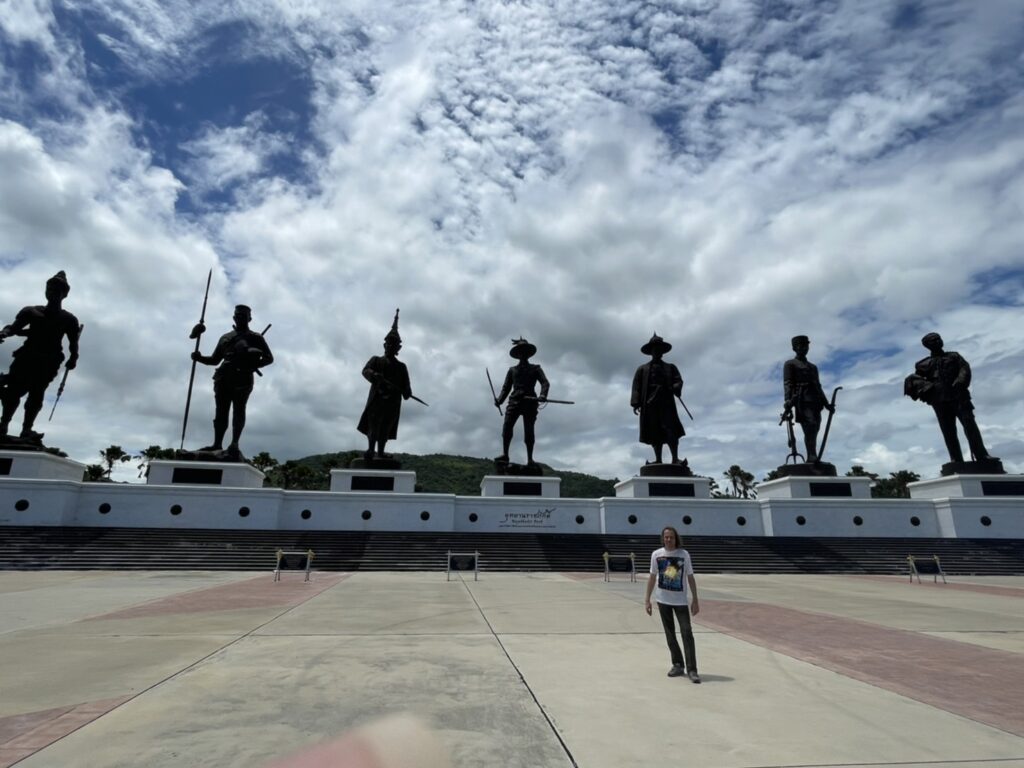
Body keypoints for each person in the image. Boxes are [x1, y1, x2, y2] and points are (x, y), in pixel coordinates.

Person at [0, 271, 80, 443]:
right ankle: (3, 424)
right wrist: (4, 333)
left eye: (57, 290)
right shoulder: (31, 311)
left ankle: (26, 429)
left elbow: (73, 343)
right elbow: (13, 328)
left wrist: (73, 358)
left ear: (64, 294)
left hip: (49, 360)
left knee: (36, 394)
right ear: (45, 290)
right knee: (13, 391)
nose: (52, 292)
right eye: (50, 288)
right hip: (26, 356)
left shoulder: (69, 319)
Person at [191, 304, 273, 458]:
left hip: (243, 378)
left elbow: (269, 358)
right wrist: (199, 358)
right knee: (221, 411)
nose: (240, 317)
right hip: (223, 377)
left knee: (238, 410)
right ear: (234, 317)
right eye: (238, 315)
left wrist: (251, 364)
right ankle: (217, 444)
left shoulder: (255, 337)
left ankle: (234, 443)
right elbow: (215, 360)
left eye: (244, 315)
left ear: (249, 318)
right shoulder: (225, 338)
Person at [904, 332, 998, 465]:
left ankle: (982, 455)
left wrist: (960, 381)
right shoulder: (923, 364)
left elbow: (964, 368)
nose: (937, 342)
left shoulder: (954, 356)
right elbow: (916, 380)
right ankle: (955, 458)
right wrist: (921, 386)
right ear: (927, 346)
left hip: (958, 395)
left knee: (970, 425)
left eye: (938, 339)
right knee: (948, 430)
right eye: (933, 341)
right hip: (939, 399)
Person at [645, 525, 701, 683]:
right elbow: (652, 577)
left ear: (676, 538)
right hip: (663, 600)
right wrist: (647, 600)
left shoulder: (684, 555)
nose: (668, 540)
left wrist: (695, 599)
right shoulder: (656, 554)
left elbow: (690, 577)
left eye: (671, 537)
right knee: (670, 634)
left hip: (680, 601)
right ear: (663, 538)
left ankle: (692, 669)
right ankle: (677, 664)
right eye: (666, 537)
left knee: (686, 632)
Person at [358, 310, 412, 460]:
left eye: (393, 345)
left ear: (398, 348)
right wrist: (375, 376)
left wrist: (406, 392)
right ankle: (371, 450)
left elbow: (407, 388)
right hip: (377, 399)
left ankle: (380, 452)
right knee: (374, 425)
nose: (390, 346)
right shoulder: (376, 360)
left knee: (386, 427)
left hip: (392, 402)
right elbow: (365, 371)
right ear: (384, 344)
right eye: (388, 344)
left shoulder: (402, 367)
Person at [631, 333, 685, 464]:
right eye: (654, 349)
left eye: (659, 349)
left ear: (662, 351)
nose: (657, 351)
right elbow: (636, 387)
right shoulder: (642, 369)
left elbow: (678, 381)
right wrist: (636, 403)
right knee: (654, 431)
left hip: (666, 403)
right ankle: (658, 459)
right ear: (650, 351)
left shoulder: (670, 367)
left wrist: (675, 387)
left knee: (671, 429)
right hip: (649, 404)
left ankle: (675, 458)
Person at [494, 338, 549, 465]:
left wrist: (542, 395)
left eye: (524, 351)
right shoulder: (512, 370)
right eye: (520, 351)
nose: (522, 354)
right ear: (517, 354)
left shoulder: (536, 368)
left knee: (529, 430)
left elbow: (545, 383)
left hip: (530, 402)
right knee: (507, 426)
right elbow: (506, 388)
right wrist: (500, 400)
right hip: (514, 402)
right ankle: (505, 455)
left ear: (528, 353)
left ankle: (530, 459)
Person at [782, 335, 833, 463]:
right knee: (810, 426)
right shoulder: (790, 364)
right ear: (794, 348)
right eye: (801, 345)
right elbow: (787, 383)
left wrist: (826, 404)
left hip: (815, 400)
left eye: (806, 345)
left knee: (816, 427)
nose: (804, 348)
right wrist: (787, 400)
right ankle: (811, 456)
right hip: (801, 399)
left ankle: (812, 454)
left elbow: (818, 385)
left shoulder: (813, 367)